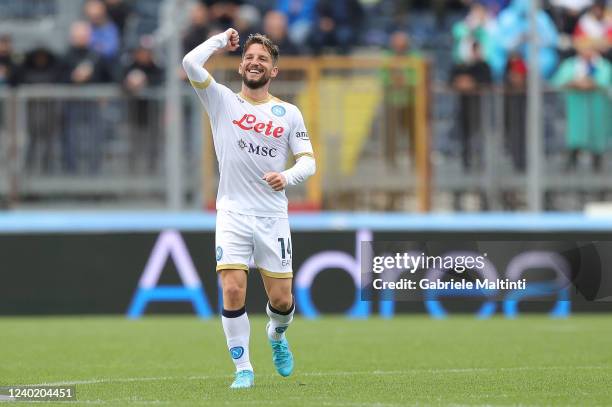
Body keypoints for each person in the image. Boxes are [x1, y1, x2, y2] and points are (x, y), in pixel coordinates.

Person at [182, 29, 316, 389]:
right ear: (241, 64)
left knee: (283, 300)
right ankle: (243, 369)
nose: (255, 62)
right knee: (233, 290)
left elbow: (309, 163)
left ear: (273, 72)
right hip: (232, 213)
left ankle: (276, 335)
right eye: (250, 57)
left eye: (263, 60)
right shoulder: (221, 100)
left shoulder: (288, 113)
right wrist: (219, 40)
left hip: (272, 216)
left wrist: (286, 177)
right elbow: (189, 62)